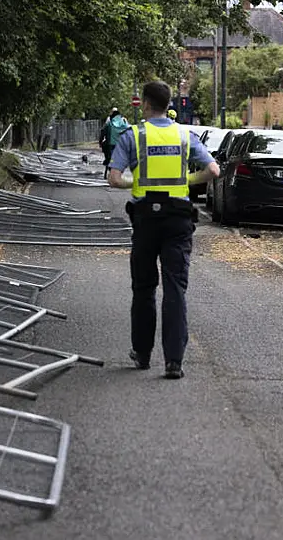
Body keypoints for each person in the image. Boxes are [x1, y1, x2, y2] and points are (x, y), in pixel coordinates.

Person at [107, 80, 220, 379]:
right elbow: (213, 170)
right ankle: (174, 361)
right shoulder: (185, 135)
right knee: (175, 289)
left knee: (143, 288)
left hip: (145, 219)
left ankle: (142, 354)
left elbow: (114, 179)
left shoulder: (133, 135)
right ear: (169, 104)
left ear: (145, 103)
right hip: (178, 219)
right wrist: (185, 182)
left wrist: (140, 184)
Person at [100, 108, 129, 176]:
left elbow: (103, 132)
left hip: (111, 144)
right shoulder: (124, 121)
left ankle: (107, 161)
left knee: (106, 150)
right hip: (122, 144)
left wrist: (100, 141)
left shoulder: (109, 122)